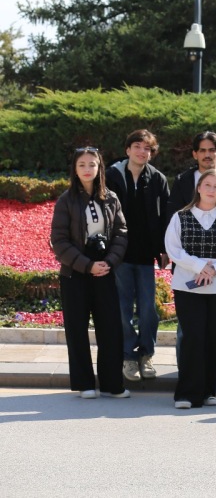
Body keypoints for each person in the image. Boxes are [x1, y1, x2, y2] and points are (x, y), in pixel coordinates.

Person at [50, 147, 130, 399]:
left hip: (104, 269)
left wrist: (109, 262)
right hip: (75, 272)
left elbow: (121, 233)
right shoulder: (66, 200)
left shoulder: (111, 198)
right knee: (77, 329)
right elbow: (59, 241)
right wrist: (87, 265)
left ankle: (112, 384)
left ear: (99, 168)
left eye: (92, 164)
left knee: (111, 328)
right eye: (82, 164)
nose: (87, 169)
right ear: (75, 169)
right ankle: (84, 383)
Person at [165, 169, 216, 409]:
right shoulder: (180, 217)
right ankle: (186, 394)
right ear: (198, 188)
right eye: (207, 185)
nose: (211, 190)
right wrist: (200, 266)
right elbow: (174, 250)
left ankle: (209, 390)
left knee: (215, 340)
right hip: (188, 288)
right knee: (193, 339)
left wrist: (214, 270)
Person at [105, 129, 169, 383]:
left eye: (147, 148)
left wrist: (163, 249)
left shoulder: (157, 178)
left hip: (145, 254)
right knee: (122, 308)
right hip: (119, 253)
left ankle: (146, 354)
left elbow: (165, 216)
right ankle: (128, 355)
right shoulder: (111, 176)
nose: (142, 152)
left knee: (147, 308)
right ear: (128, 149)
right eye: (137, 147)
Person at [167, 131, 216, 219]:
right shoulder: (182, 182)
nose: (207, 155)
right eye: (202, 150)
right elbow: (172, 217)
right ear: (195, 154)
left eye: (212, 150)